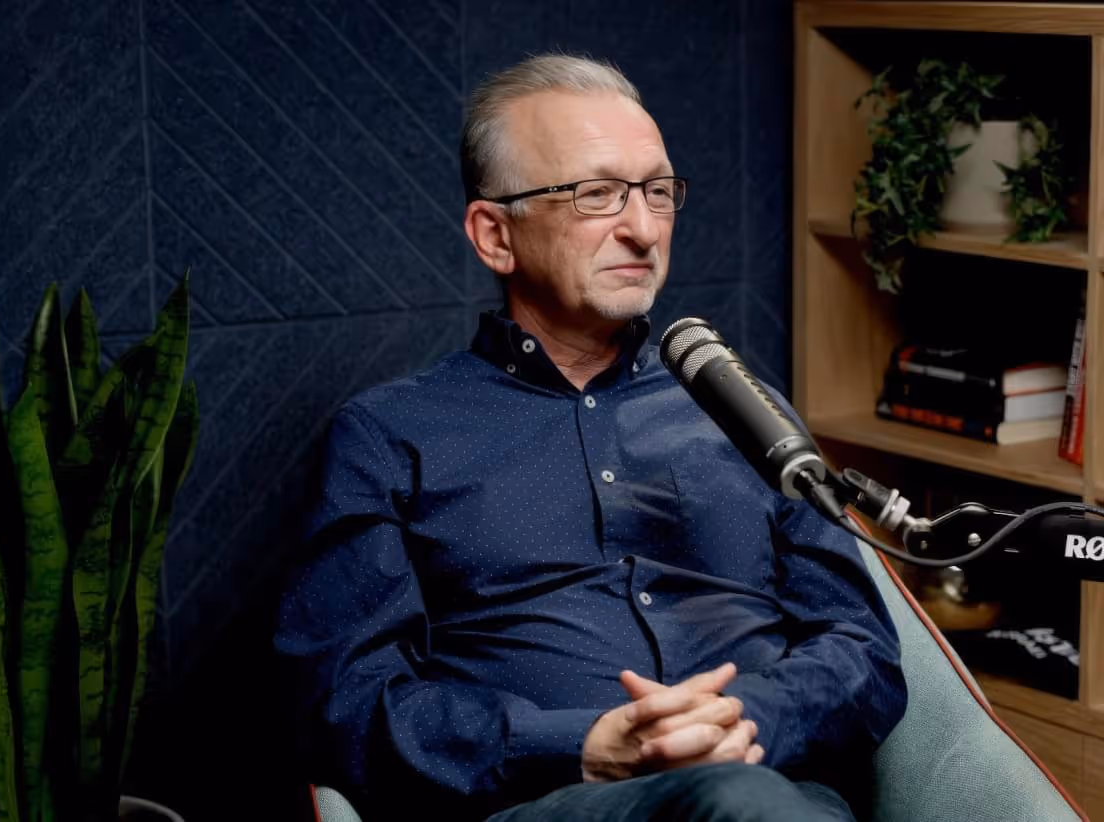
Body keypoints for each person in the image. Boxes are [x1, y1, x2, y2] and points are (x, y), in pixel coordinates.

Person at [274, 54, 906, 822]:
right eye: (596, 194)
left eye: (658, 192)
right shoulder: (390, 436)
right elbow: (344, 704)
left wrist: (745, 720)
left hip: (772, 791)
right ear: (495, 235)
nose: (642, 230)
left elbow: (862, 648)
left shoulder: (749, 415)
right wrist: (574, 745)